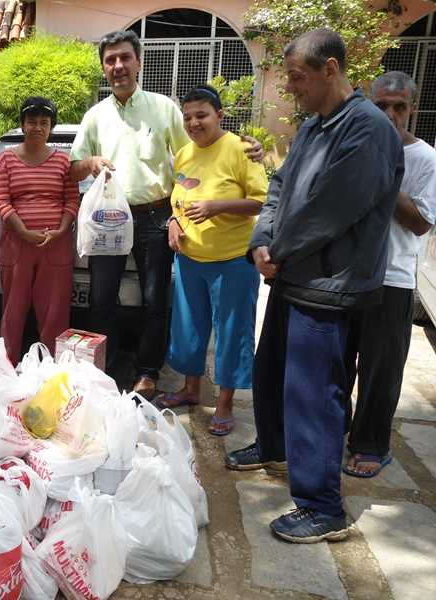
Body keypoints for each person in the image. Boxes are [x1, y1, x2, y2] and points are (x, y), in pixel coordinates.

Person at [225, 29, 404, 544]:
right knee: (272, 370)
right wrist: (261, 238)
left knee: (315, 394)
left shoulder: (367, 130)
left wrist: (274, 251)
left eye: (298, 78)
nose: (292, 88)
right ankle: (274, 444)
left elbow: (331, 209)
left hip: (331, 284)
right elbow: (279, 186)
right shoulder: (311, 128)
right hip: (292, 275)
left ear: (330, 69)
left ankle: (324, 506)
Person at [69, 30, 263, 399]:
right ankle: (104, 372)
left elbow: (201, 150)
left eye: (125, 57)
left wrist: (242, 143)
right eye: (110, 60)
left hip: (154, 218)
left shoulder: (164, 109)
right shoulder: (95, 116)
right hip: (107, 221)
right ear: (104, 69)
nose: (118, 66)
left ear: (138, 62)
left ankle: (147, 372)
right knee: (101, 300)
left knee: (154, 301)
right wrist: (90, 161)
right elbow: (74, 168)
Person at [342, 71, 436, 477]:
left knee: (380, 370)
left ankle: (371, 444)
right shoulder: (352, 146)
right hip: (346, 276)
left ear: (412, 108)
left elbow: (420, 224)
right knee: (338, 363)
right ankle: (334, 430)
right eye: (382, 105)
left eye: (399, 106)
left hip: (392, 279)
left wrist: (387, 173)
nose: (390, 113)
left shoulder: (425, 159)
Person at [161, 84, 268, 436]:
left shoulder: (240, 150)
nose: (194, 123)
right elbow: (178, 200)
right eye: (188, 117)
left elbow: (261, 201)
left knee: (231, 333)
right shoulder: (184, 154)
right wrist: (173, 222)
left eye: (202, 115)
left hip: (233, 261)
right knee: (189, 329)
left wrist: (217, 206)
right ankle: (191, 389)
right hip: (190, 260)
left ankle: (224, 404)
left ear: (219, 115)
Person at [0, 97, 81, 362]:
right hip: (16, 245)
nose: (38, 127)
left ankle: (52, 372)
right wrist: (25, 233)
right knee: (13, 310)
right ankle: (7, 367)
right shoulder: (5, 160)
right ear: (22, 125)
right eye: (32, 121)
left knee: (54, 313)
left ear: (51, 128)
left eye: (44, 122)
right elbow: (2, 201)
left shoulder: (64, 161)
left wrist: (61, 231)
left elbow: (71, 200)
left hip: (56, 245)